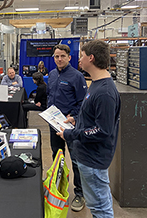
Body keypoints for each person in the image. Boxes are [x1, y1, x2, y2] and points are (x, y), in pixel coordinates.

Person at [58, 40, 121, 217]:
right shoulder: (96, 84)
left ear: (91, 58)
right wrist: (76, 120)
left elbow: (102, 130)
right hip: (89, 156)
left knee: (101, 208)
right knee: (99, 202)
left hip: (94, 159)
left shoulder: (105, 92)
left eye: (82, 56)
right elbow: (92, 118)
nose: (79, 60)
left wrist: (71, 134)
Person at [47, 44, 87, 212]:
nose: (59, 59)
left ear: (69, 57)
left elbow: (83, 102)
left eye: (62, 56)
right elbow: (51, 96)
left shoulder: (77, 77)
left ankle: (79, 193)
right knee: (57, 157)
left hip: (70, 126)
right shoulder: (52, 74)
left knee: (76, 160)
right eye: (56, 56)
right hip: (53, 123)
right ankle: (58, 187)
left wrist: (74, 118)